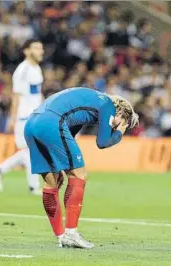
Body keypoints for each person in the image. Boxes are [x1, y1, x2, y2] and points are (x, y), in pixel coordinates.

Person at [24, 87, 139, 249]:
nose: (114, 127)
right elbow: (103, 142)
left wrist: (62, 165)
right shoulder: (108, 105)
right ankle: (71, 233)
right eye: (121, 123)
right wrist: (119, 132)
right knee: (79, 175)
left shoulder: (93, 100)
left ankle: (61, 236)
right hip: (51, 122)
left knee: (51, 183)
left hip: (31, 124)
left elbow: (70, 129)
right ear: (121, 113)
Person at [0, 39, 44, 195]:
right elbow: (16, 96)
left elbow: (38, 94)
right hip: (24, 117)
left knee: (29, 152)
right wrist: (13, 119)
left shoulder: (37, 69)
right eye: (36, 48)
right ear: (27, 51)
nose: (40, 51)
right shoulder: (22, 70)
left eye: (41, 48)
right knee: (30, 151)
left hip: (35, 116)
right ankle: (33, 187)